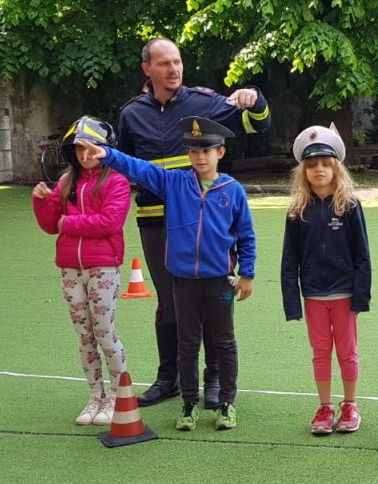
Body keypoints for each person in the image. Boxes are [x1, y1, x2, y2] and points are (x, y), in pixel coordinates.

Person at [116, 38, 271, 410]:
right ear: (147, 69)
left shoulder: (205, 102)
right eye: (164, 63)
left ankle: (214, 379)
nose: (174, 69)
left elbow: (256, 125)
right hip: (154, 223)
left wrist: (256, 99)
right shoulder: (131, 114)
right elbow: (124, 167)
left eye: (178, 62)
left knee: (210, 299)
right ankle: (168, 377)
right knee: (170, 302)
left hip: (206, 219)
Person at [82, 116, 256, 432]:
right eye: (193, 151)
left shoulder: (234, 191)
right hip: (183, 282)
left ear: (221, 151)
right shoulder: (174, 183)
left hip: (221, 281)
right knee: (186, 344)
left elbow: (246, 236)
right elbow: (140, 168)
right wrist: (107, 155)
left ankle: (226, 404)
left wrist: (248, 273)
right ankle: (189, 405)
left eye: (207, 150)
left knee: (224, 341)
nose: (200, 157)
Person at [32, 117, 132, 426]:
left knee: (104, 332)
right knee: (84, 336)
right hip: (70, 269)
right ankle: (95, 396)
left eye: (91, 149)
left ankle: (117, 395)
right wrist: (42, 202)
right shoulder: (66, 182)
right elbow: (50, 225)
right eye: (78, 149)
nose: (84, 155)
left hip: (103, 267)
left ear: (104, 149)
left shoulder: (116, 180)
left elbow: (109, 222)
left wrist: (67, 224)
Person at [281, 126, 371, 435]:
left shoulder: (350, 206)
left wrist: (361, 297)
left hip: (345, 294)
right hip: (314, 296)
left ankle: (349, 404)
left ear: (336, 167)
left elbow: (362, 255)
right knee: (320, 351)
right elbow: (289, 260)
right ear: (303, 171)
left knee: (347, 351)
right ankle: (324, 406)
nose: (319, 169)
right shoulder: (297, 211)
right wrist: (293, 301)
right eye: (312, 165)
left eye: (325, 163)